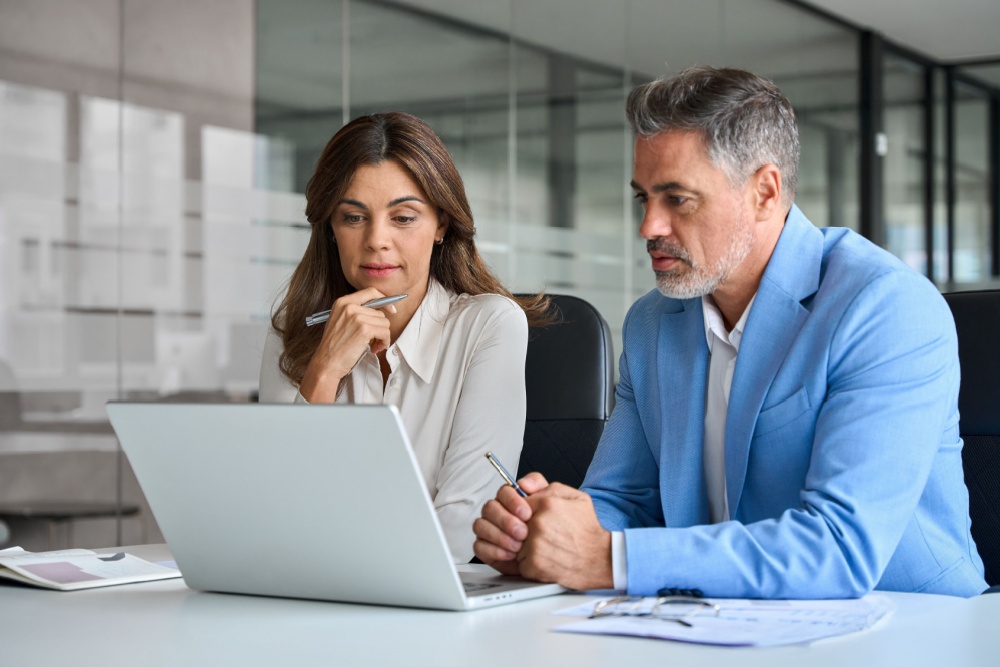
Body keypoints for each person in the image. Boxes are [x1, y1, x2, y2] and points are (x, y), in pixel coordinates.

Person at [473, 67, 988, 598]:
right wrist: (544, 534)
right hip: (721, 622)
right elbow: (623, 502)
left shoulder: (884, 308)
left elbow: (840, 546)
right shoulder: (653, 323)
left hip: (907, 625)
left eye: (677, 198)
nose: (648, 226)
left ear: (764, 192)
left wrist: (609, 558)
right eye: (642, 198)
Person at [259, 111, 549, 564]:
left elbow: (462, 528)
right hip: (311, 598)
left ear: (441, 226)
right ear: (331, 230)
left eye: (404, 217)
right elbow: (270, 512)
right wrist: (325, 371)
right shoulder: (293, 333)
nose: (377, 240)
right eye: (353, 217)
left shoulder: (490, 325)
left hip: (429, 610)